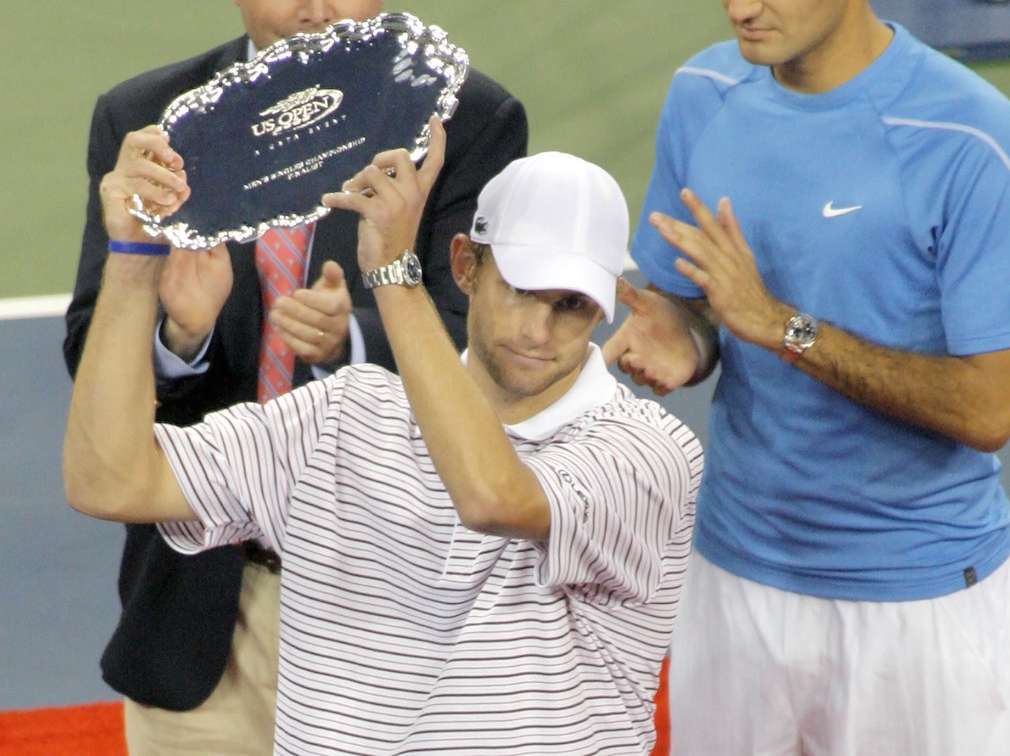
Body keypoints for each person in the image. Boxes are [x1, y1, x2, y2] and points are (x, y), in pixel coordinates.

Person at [604, 0, 1010, 756]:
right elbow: (698, 310)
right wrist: (683, 342)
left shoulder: (967, 137)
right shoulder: (704, 95)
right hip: (737, 580)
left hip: (921, 607)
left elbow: (989, 408)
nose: (741, 4)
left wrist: (779, 327)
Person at [62, 0, 527, 754]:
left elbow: (496, 345)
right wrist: (179, 341)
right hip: (205, 613)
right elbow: (91, 350)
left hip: (395, 607)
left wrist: (354, 341)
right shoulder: (147, 124)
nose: (316, 12)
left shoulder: (467, 122)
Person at [63, 122, 704, 755]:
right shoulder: (338, 417)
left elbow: (490, 498)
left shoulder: (648, 453)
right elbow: (107, 478)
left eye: (571, 305)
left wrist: (394, 275)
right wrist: (134, 260)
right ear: (466, 265)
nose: (539, 329)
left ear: (605, 308)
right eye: (521, 289)